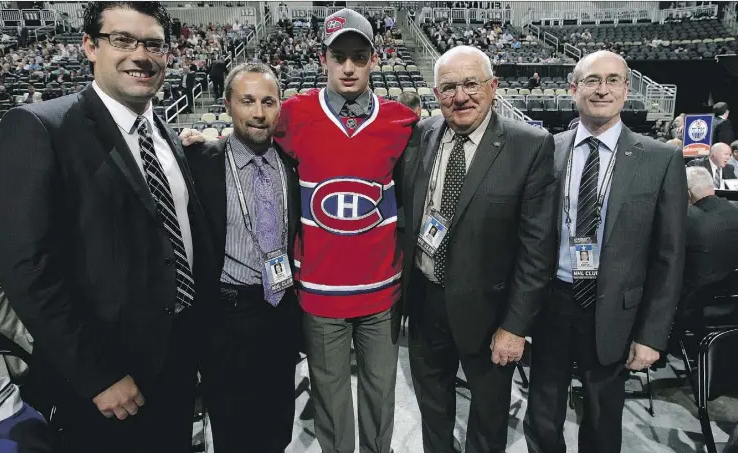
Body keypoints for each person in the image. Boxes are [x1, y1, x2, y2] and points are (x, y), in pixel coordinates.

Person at [181, 9, 417, 453]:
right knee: (328, 402)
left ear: (374, 58)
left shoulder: (401, 121)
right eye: (339, 56)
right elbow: (251, 133)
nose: (348, 67)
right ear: (323, 58)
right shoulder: (291, 113)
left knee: (379, 398)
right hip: (318, 292)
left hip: (381, 292)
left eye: (359, 56)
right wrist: (206, 145)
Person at [0, 3, 214, 453]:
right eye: (122, 40)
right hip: (104, 382)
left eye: (154, 44)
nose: (141, 55)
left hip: (176, 363)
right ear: (90, 46)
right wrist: (98, 375)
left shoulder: (167, 136)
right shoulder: (41, 127)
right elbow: (27, 270)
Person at [524, 50, 687, 453]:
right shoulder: (549, 148)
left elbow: (670, 258)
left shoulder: (661, 159)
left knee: (601, 417)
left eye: (613, 80)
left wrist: (652, 335)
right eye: (592, 80)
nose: (602, 89)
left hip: (615, 307)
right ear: (573, 89)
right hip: (554, 301)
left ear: (627, 89)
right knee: (542, 415)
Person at [399, 45, 557, 453]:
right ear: (436, 93)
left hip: (491, 316)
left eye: (471, 83)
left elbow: (537, 249)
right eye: (449, 87)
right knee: (432, 408)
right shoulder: (421, 134)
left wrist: (516, 326)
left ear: (493, 87)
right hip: (425, 301)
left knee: (488, 419)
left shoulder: (530, 145)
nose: (461, 96)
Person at [184, 63, 301, 453]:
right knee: (234, 432)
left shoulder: (293, 165)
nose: (258, 112)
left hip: (280, 312)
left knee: (277, 428)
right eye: (247, 101)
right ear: (228, 105)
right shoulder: (199, 161)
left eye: (268, 101)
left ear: (279, 107)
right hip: (226, 319)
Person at [682, 166, 738, 299]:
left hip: (693, 302)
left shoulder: (686, 218)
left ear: (688, 193)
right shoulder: (734, 210)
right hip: (731, 303)